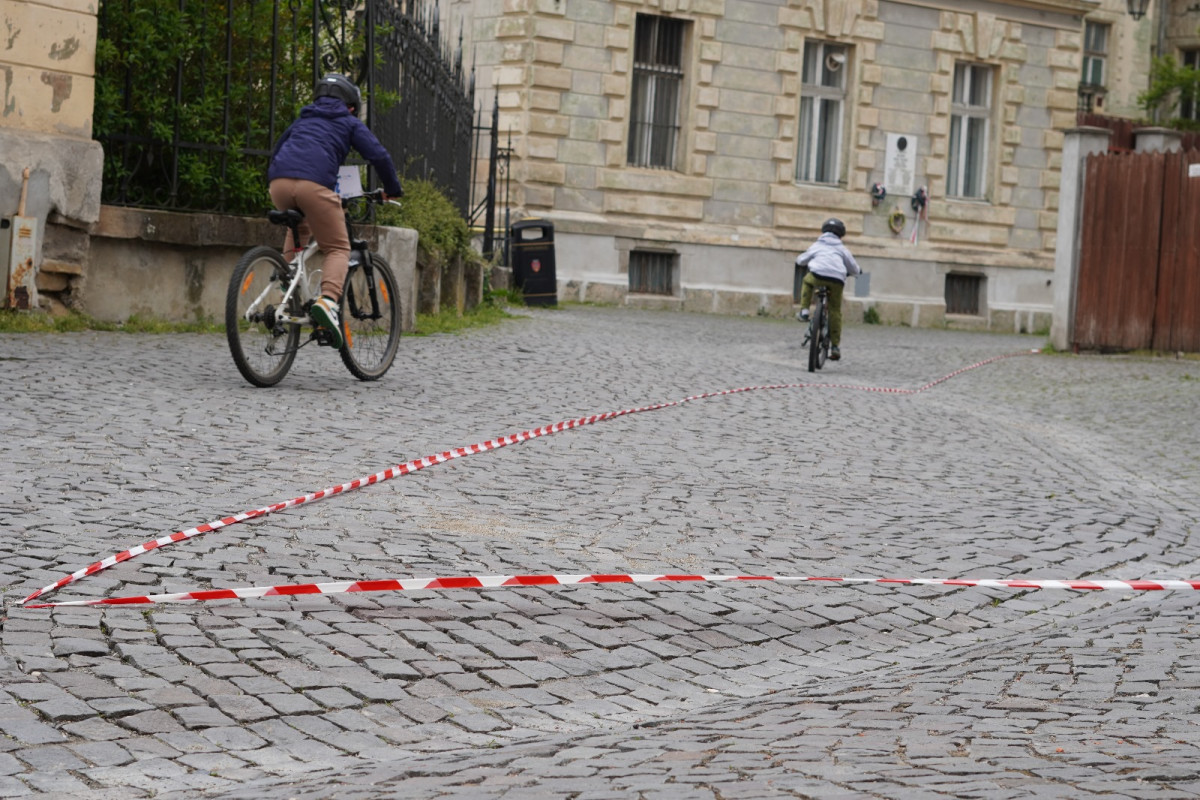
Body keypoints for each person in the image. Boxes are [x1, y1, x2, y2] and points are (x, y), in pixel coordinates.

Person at [267, 73, 404, 349]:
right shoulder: (348, 122)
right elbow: (378, 155)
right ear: (351, 106)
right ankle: (328, 301)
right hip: (314, 187)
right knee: (338, 247)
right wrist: (392, 188)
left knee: (300, 225)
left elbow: (278, 150)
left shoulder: (303, 120)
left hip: (278, 183)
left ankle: (287, 278)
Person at [795, 217, 861, 361]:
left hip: (817, 275)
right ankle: (835, 346)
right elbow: (853, 268)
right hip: (837, 280)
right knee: (835, 310)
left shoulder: (817, 245)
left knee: (807, 281)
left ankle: (804, 312)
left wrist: (804, 260)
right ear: (841, 234)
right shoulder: (842, 249)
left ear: (823, 231)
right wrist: (858, 272)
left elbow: (801, 260)